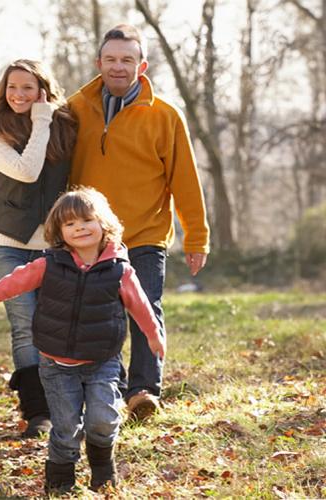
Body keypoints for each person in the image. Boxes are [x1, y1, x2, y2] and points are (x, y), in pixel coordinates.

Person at [0, 187, 165, 494]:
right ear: (59, 232)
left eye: (86, 220)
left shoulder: (119, 270)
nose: (80, 227)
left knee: (102, 419)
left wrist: (153, 335)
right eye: (70, 224)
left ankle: (102, 467)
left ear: (104, 224)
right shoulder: (48, 265)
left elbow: (141, 305)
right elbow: (8, 286)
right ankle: (60, 481)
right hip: (56, 362)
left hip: (102, 360)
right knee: (66, 427)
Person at [68, 24, 210, 420]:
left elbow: (185, 179)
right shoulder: (75, 110)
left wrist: (196, 237)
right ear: (99, 63)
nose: (118, 66)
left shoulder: (164, 116)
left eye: (127, 59)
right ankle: (111, 385)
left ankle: (144, 391)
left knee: (145, 307)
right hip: (88, 236)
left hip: (145, 233)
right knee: (99, 316)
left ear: (141, 65)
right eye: (111, 59)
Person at [0, 59, 77, 437]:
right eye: (12, 87)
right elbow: (27, 171)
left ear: (43, 92)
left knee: (55, 322)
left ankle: (64, 401)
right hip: (4, 239)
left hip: (51, 241)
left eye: (28, 88)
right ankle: (38, 412)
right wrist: (41, 121)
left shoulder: (65, 126)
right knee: (25, 323)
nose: (18, 94)